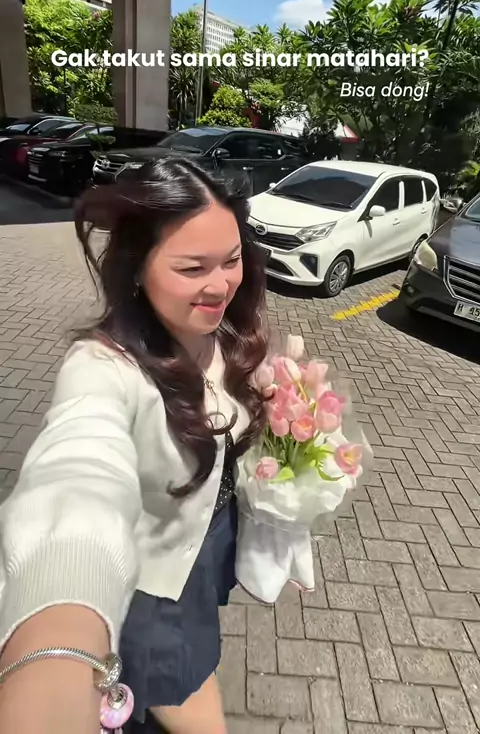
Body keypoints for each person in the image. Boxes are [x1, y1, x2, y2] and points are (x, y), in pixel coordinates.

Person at [0, 158, 268, 734]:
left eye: (231, 259)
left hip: (203, 563)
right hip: (153, 598)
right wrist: (56, 640)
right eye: (192, 267)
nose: (221, 285)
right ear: (137, 268)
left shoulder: (219, 331)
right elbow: (76, 473)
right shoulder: (102, 368)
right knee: (182, 691)